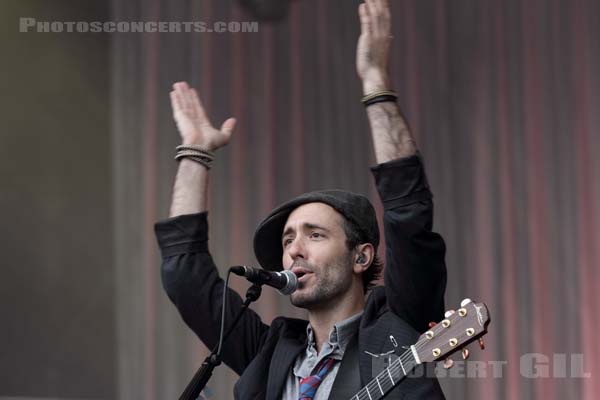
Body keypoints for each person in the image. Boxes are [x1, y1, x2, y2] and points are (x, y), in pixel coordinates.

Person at [154, 0, 447, 398]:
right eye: (288, 239)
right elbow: (185, 278)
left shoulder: (396, 330)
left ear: (361, 256)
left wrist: (376, 84)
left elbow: (408, 213)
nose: (294, 249)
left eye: (315, 235)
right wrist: (195, 153)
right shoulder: (272, 352)